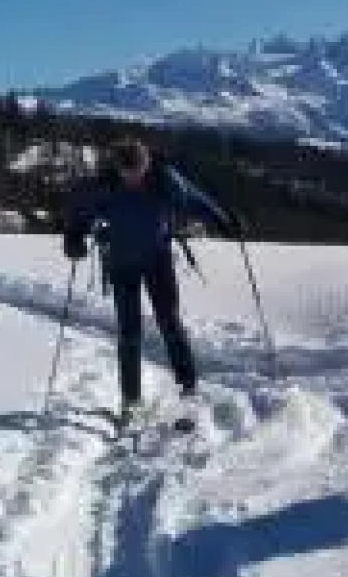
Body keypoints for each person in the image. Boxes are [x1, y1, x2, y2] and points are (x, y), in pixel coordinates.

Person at [61, 138, 242, 421]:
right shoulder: (104, 186)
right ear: (118, 169)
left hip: (158, 261)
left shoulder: (165, 181)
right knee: (129, 332)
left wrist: (223, 220)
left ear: (147, 165)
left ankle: (188, 389)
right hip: (122, 264)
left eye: (138, 172)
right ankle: (131, 400)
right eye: (127, 174)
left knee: (170, 322)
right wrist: (73, 237)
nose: (133, 179)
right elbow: (80, 212)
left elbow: (195, 200)